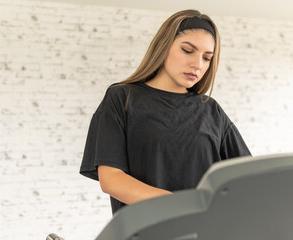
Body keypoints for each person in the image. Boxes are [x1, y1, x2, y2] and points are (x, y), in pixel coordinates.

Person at [79, 9, 251, 214]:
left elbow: (247, 178)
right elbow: (112, 179)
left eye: (207, 58)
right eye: (187, 50)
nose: (197, 64)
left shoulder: (210, 109)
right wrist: (179, 203)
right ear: (164, 46)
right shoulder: (122, 99)